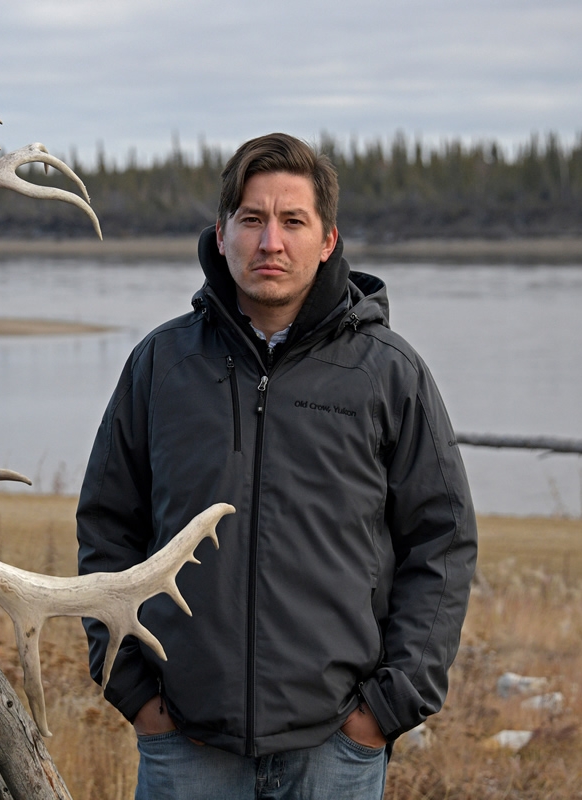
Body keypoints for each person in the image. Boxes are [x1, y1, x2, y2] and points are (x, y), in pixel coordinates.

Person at [77, 132, 477, 799]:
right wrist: (134, 693)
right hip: (187, 745)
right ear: (222, 231)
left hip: (336, 751)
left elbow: (442, 541)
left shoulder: (387, 372)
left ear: (327, 240)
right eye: (253, 219)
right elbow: (107, 529)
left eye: (293, 221)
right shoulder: (162, 366)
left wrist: (384, 712)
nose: (271, 243)